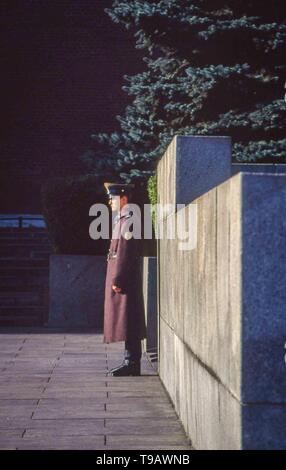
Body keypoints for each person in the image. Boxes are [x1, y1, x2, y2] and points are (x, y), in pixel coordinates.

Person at [103, 182, 147, 376]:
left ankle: (132, 362)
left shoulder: (128, 219)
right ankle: (130, 361)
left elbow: (126, 253)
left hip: (125, 279)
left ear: (123, 198)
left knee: (129, 320)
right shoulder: (122, 218)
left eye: (112, 198)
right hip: (123, 276)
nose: (109, 202)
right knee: (127, 320)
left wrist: (118, 278)